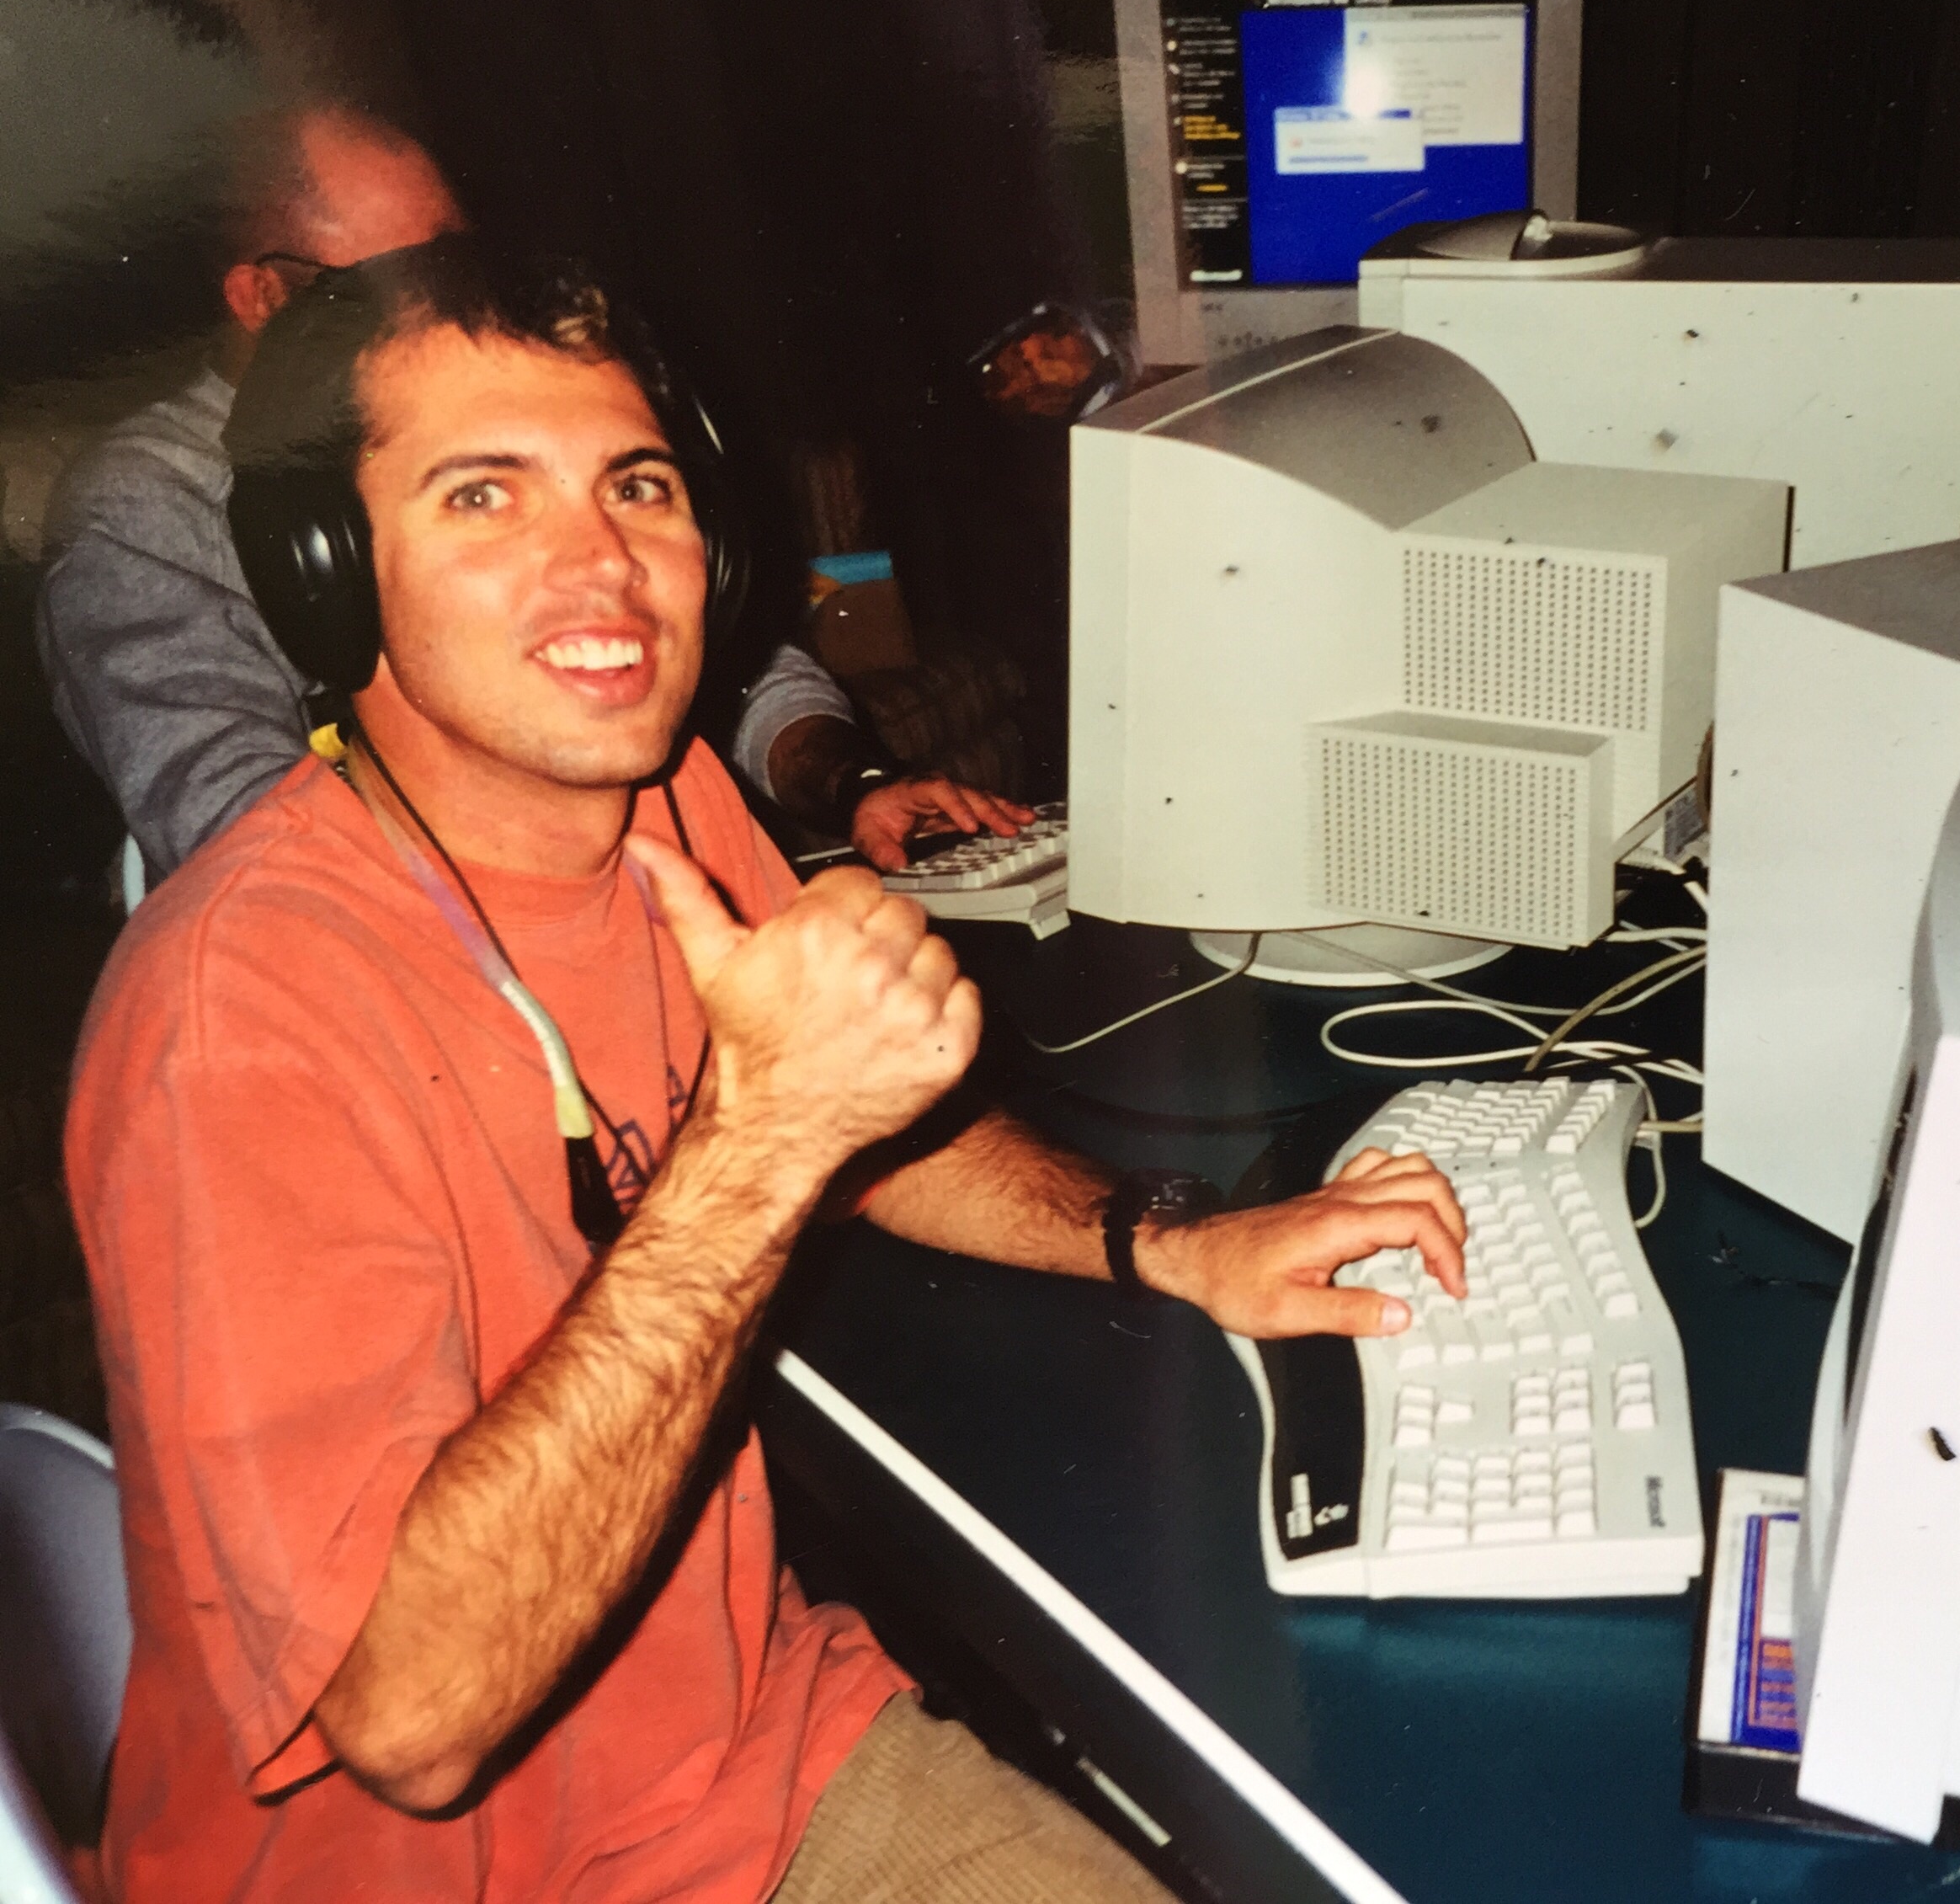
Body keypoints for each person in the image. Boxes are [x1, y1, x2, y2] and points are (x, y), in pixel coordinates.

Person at [61, 235, 1467, 1900]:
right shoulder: (236, 1014)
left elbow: (858, 1115)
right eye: (483, 495)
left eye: (638, 486)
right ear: (323, 572)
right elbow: (410, 1714)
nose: (601, 564)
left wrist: (1170, 1237)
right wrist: (759, 1137)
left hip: (749, 1758)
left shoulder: (660, 800)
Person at [35, 102, 1011, 885]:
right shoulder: (144, 501)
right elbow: (224, 805)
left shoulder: (519, 418)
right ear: (263, 299)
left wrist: (850, 780)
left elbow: (725, 650)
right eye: (395, 283)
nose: (447, 308)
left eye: (457, 264)